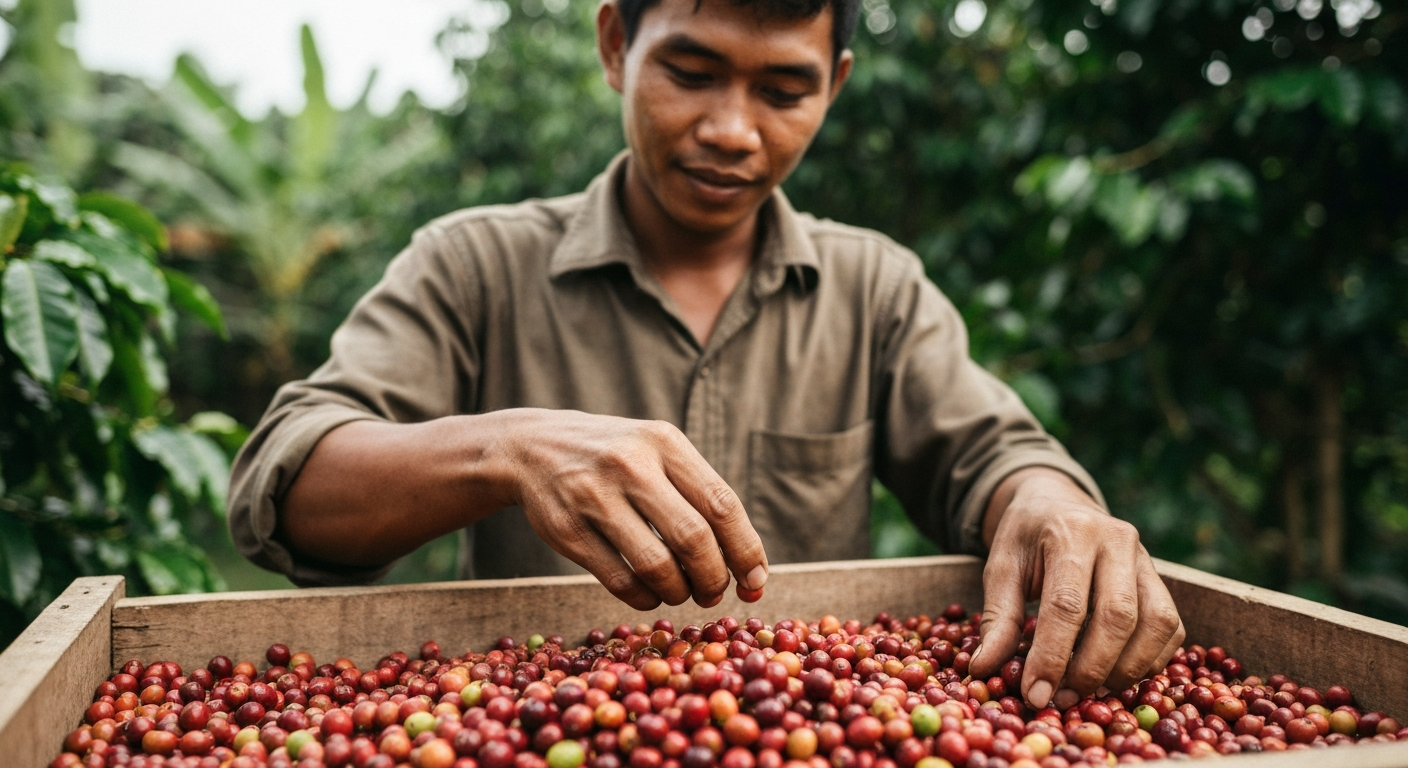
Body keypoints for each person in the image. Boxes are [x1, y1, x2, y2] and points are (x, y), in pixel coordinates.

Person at [228, 0, 1184, 711]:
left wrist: (1054, 504)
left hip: (804, 724)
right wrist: (508, 450)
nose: (733, 130)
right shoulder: (474, 265)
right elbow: (293, 485)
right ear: (615, 46)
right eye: (690, 72)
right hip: (543, 718)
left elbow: (995, 459)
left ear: (836, 85)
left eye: (783, 90)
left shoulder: (875, 290)